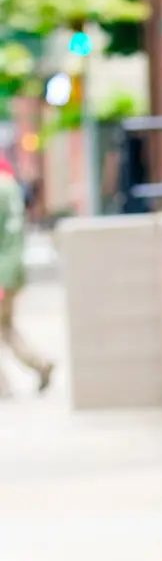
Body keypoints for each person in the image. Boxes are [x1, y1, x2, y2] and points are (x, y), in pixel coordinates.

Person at [0, 155, 53, 396]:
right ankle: (40, 364)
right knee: (6, 328)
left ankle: (5, 385)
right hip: (14, 269)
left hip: (2, 271)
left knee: (6, 328)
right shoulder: (11, 187)